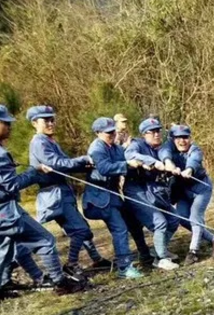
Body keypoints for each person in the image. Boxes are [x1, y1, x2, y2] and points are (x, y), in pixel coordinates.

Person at [0, 105, 85, 295]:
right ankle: (60, 282)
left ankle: (3, 284)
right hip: (5, 210)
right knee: (45, 240)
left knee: (6, 246)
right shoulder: (3, 153)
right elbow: (12, 185)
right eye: (5, 123)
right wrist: (34, 170)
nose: (9, 127)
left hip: (5, 208)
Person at [27, 105, 111, 276]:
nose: (51, 123)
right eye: (46, 120)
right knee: (81, 230)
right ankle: (71, 263)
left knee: (79, 228)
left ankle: (96, 258)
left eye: (52, 119)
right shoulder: (39, 142)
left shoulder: (49, 140)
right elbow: (57, 164)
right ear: (34, 123)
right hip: (54, 195)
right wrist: (83, 159)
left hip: (61, 192)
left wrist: (84, 165)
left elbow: (65, 163)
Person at [84, 117, 144, 278]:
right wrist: (127, 165)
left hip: (114, 196)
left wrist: (141, 163)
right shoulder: (96, 148)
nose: (111, 135)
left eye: (113, 131)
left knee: (133, 224)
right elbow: (104, 168)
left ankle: (144, 254)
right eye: (107, 133)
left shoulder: (116, 148)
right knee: (120, 229)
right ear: (97, 133)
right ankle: (124, 268)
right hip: (100, 199)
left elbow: (125, 160)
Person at [159, 124, 214, 265]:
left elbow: (194, 160)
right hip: (184, 192)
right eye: (178, 138)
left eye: (185, 137)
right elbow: (164, 152)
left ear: (190, 138)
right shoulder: (169, 147)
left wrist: (189, 170)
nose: (182, 141)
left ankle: (193, 252)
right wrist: (168, 163)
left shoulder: (195, 149)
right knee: (182, 218)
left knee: (196, 216)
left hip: (201, 189)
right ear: (173, 139)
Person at [124, 117, 180, 270]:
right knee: (159, 223)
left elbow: (166, 154)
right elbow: (130, 155)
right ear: (144, 134)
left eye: (158, 131)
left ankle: (158, 250)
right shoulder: (137, 145)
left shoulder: (160, 147)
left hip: (155, 191)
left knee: (174, 220)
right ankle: (161, 259)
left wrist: (170, 164)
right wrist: (152, 162)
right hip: (137, 192)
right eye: (152, 132)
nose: (157, 134)